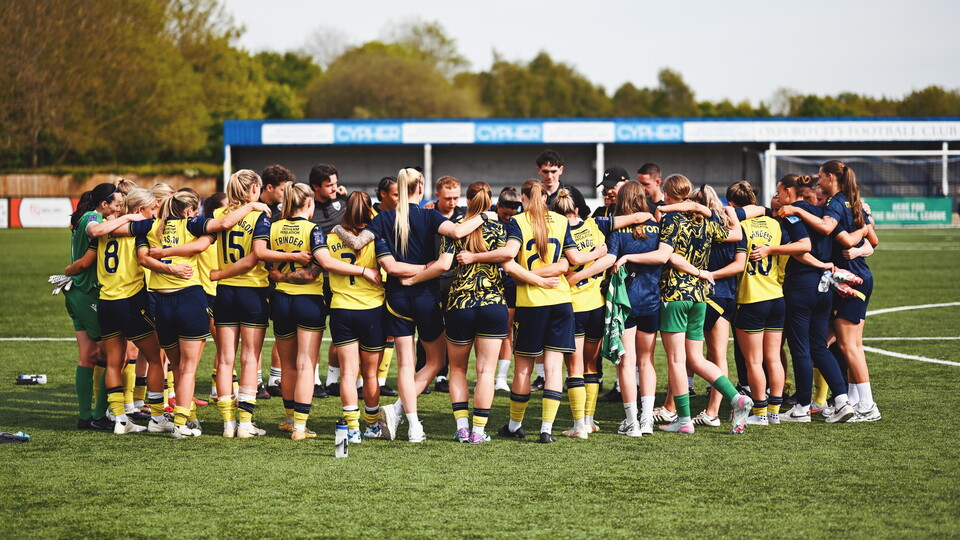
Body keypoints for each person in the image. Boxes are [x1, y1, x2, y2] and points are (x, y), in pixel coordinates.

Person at [370, 168, 493, 442]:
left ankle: (411, 423)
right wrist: (484, 215)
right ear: (422, 187)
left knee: (404, 364)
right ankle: (402, 415)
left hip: (396, 296)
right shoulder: (429, 215)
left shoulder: (384, 218)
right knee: (436, 361)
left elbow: (370, 251)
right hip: (426, 296)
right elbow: (459, 230)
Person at [137, 188, 269, 438]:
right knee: (189, 368)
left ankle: (183, 418)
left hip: (161, 303)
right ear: (188, 210)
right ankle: (180, 424)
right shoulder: (194, 224)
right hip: (189, 299)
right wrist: (252, 206)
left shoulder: (150, 227)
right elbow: (221, 225)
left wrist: (165, 259)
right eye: (195, 209)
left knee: (174, 365)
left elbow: (144, 258)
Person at [264, 183, 380, 441]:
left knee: (287, 364)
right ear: (308, 204)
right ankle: (301, 427)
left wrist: (280, 277)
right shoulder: (314, 230)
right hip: (311, 302)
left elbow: (267, 262)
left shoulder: (273, 228)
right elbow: (315, 271)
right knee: (307, 364)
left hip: (281, 300)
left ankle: (289, 418)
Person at [498, 179, 606, 443]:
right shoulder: (560, 221)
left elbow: (508, 262)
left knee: (523, 369)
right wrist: (596, 251)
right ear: (546, 198)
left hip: (532, 305)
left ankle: (514, 426)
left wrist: (532, 278)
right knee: (555, 369)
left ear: (524, 198)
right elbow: (568, 262)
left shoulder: (518, 222)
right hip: (561, 302)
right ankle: (546, 430)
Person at [554, 182, 656, 437]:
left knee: (576, 367)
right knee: (595, 365)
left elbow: (604, 258)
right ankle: (600, 420)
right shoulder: (598, 224)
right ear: (579, 207)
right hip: (608, 304)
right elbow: (644, 221)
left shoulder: (555, 229)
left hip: (581, 304)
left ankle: (583, 426)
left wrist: (574, 277)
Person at [780, 160, 879, 422]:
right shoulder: (854, 201)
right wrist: (862, 238)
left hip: (849, 277)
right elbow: (874, 241)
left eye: (821, 177)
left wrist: (799, 213)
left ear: (832, 177)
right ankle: (856, 400)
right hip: (858, 274)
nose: (818, 182)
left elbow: (831, 231)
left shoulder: (836, 203)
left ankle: (867, 405)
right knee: (850, 344)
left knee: (849, 346)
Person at [655, 174, 753, 434]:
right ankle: (737, 398)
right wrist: (714, 210)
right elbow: (736, 233)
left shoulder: (671, 219)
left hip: (675, 294)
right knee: (696, 358)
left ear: (668, 193)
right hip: (700, 296)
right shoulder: (705, 221)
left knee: (677, 360)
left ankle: (683, 420)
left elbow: (666, 255)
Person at [209, 170, 301, 438]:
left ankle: (227, 424)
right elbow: (254, 259)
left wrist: (219, 275)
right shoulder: (260, 215)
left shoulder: (219, 215)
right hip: (252, 292)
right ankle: (245, 424)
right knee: (249, 358)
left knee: (225, 360)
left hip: (224, 293)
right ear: (252, 189)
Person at [85, 188, 184, 434]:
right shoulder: (140, 226)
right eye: (152, 210)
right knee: (155, 357)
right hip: (130, 302)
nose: (155, 215)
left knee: (114, 362)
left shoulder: (107, 226)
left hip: (106, 302)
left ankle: (119, 419)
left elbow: (95, 234)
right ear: (140, 210)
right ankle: (158, 418)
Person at [417, 182, 510, 443]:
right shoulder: (501, 228)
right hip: (493, 303)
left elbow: (442, 265)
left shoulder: (455, 230)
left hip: (460, 305)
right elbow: (509, 261)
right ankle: (479, 432)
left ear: (466, 202)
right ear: (490, 201)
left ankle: (461, 428)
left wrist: (415, 279)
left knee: (457, 369)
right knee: (486, 372)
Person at [760, 174, 853, 423]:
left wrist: (771, 249)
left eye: (779, 193)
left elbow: (802, 246)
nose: (778, 199)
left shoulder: (793, 213)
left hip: (802, 285)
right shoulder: (821, 211)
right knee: (818, 347)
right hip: (824, 287)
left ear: (790, 191)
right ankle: (842, 400)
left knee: (800, 348)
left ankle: (802, 407)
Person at [726, 181, 810, 425]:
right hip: (776, 296)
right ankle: (775, 410)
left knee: (754, 361)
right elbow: (786, 255)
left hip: (751, 298)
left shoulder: (739, 226)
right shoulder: (775, 224)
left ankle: (760, 413)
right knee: (773, 358)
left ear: (732, 204)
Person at [62, 183, 125, 431]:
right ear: (104, 204)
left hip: (76, 293)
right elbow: (96, 231)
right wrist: (128, 216)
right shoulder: (92, 217)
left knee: (88, 356)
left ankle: (85, 417)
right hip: (88, 294)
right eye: (117, 204)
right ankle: (99, 416)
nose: (119, 208)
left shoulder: (88, 216)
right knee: (112, 356)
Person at [259, 165, 294, 398]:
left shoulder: (281, 212)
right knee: (257, 334)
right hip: (255, 279)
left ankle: (274, 378)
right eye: (282, 190)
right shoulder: (257, 211)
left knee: (281, 332)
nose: (285, 195)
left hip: (275, 279)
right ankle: (257, 382)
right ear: (269, 187)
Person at [493, 186, 521, 392]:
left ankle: (501, 377)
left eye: (512, 214)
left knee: (506, 328)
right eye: (505, 214)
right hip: (489, 280)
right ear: (497, 207)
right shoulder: (488, 222)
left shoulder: (516, 225)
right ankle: (486, 373)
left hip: (510, 281)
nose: (508, 218)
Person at [537, 150, 590, 220]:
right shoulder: (532, 193)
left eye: (553, 171)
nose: (549, 176)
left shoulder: (572, 193)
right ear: (538, 170)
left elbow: (588, 219)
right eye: (545, 171)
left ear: (561, 170)